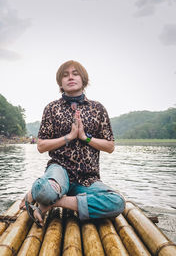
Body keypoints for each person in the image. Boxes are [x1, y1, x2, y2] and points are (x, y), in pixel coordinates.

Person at [20, 60, 125, 227]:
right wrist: (68, 137)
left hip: (88, 178)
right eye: (65, 75)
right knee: (46, 190)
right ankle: (42, 192)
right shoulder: (52, 108)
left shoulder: (98, 108)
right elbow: (41, 146)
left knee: (117, 202)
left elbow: (110, 146)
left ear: (83, 79)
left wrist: (85, 137)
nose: (70, 77)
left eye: (75, 74)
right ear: (60, 82)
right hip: (59, 170)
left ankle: (54, 202)